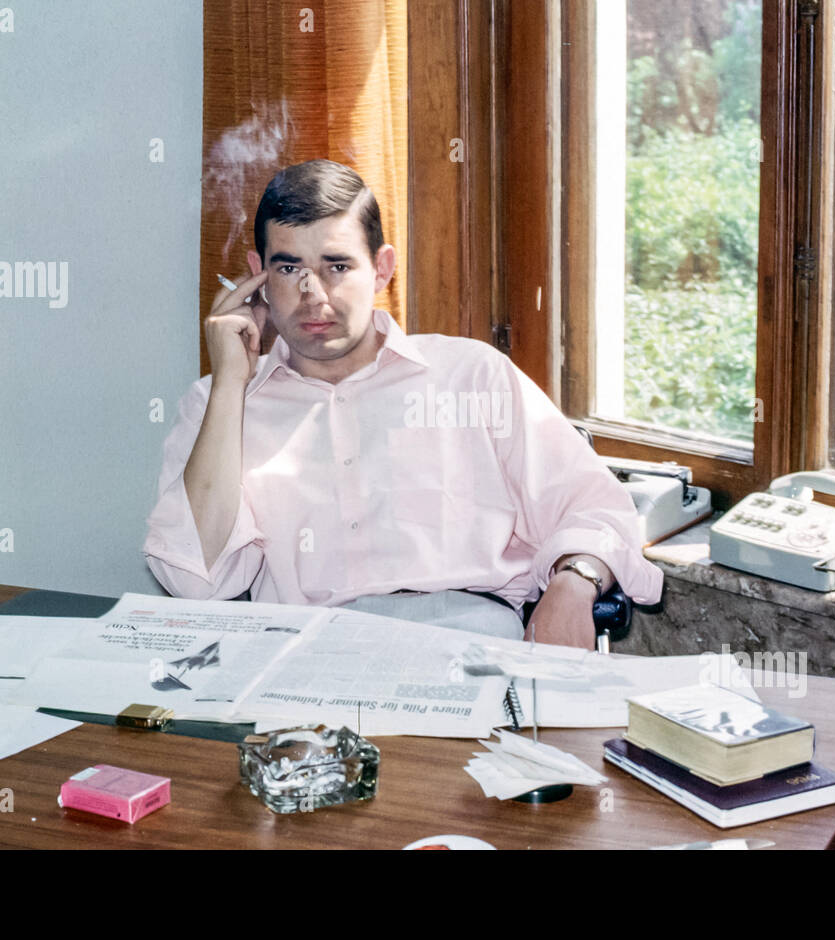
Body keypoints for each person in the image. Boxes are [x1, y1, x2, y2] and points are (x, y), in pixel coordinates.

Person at [143, 159, 663, 648]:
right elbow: (195, 581)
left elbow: (598, 506)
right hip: (303, 661)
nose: (313, 294)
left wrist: (575, 583)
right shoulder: (218, 403)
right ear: (257, 274)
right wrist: (232, 383)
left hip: (469, 641)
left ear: (382, 268)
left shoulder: (470, 376)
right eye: (288, 269)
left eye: (337, 266)